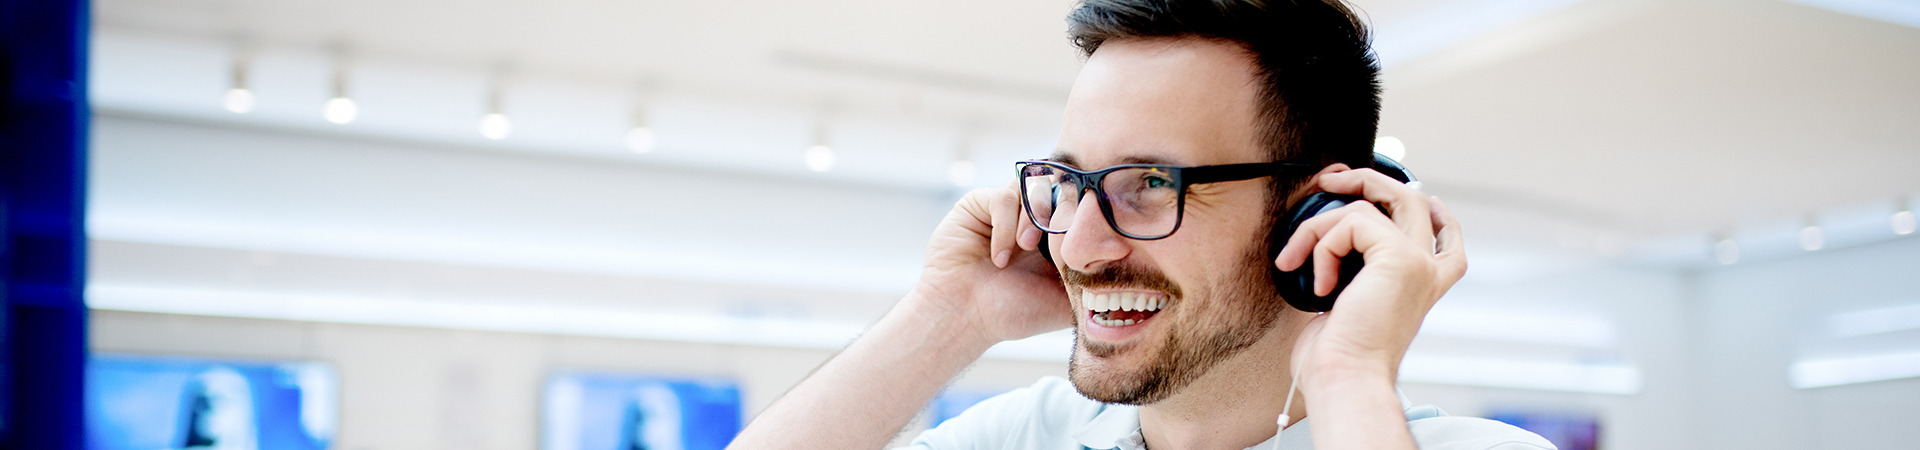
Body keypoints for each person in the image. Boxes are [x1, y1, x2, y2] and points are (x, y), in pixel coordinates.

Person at [729, 1, 1553, 449]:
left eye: (1151, 184)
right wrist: (950, 316)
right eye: (1072, 182)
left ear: (1319, 211)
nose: (1079, 245)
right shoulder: (1024, 438)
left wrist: (1348, 376)